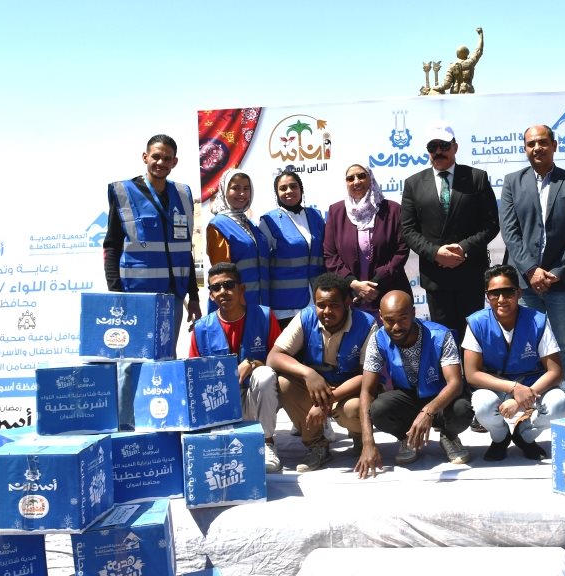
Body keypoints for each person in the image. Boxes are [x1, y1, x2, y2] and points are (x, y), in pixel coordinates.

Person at [104, 134, 201, 428]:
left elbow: (185, 250)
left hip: (172, 297)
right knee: (131, 364)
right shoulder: (124, 191)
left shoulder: (183, 194)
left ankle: (160, 422)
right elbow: (112, 246)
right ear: (145, 157)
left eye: (167, 158)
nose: (161, 162)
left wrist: (193, 297)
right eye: (155, 156)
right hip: (136, 297)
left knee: (165, 360)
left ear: (175, 162)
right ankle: (126, 426)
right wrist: (116, 292)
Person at [499, 125, 565, 417]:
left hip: (562, 281)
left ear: (554, 145)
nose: (536, 148)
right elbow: (510, 231)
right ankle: (529, 400)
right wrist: (530, 270)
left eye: (542, 142)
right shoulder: (512, 182)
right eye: (531, 144)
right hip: (526, 283)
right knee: (527, 344)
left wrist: (558, 271)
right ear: (525, 148)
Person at [354, 290, 474, 478]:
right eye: (389, 320)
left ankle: (449, 436)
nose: (396, 327)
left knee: (462, 409)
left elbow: (455, 383)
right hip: (407, 398)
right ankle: (406, 437)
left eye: (403, 318)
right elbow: (367, 391)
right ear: (380, 316)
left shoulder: (440, 335)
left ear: (413, 312)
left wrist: (428, 412)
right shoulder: (377, 339)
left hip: (441, 399)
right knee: (378, 409)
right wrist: (368, 443)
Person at [266, 273, 376, 473]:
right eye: (321, 305)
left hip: (347, 391)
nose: (326, 311)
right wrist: (308, 374)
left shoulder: (367, 324)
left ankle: (359, 436)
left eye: (334, 305)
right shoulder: (305, 317)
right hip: (315, 389)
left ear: (347, 302)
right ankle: (317, 445)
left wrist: (328, 401)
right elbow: (274, 356)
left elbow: (368, 376)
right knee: (284, 382)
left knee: (353, 409)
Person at [400, 122, 499, 340]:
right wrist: (435, 253)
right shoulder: (413, 184)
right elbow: (408, 230)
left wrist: (463, 248)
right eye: (432, 147)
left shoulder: (477, 178)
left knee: (473, 338)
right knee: (444, 339)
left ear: (455, 147)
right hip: (436, 278)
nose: (438, 151)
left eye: (443, 146)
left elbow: (491, 224)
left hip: (470, 274)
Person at [463, 265, 565, 461]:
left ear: (519, 293)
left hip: (532, 385)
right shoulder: (476, 322)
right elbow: (472, 374)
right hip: (497, 386)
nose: (501, 299)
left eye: (508, 292)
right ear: (487, 296)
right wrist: (513, 388)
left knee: (559, 404)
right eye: (494, 294)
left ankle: (524, 435)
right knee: (483, 405)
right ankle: (500, 438)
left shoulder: (538, 320)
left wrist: (520, 398)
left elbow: (556, 372)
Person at [189, 262, 283, 473]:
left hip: (255, 398)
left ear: (241, 289)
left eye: (229, 285)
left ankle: (267, 442)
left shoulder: (264, 316)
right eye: (216, 287)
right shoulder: (201, 328)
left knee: (265, 374)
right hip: (218, 403)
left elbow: (279, 361)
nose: (223, 291)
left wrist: (252, 364)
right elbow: (193, 376)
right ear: (211, 295)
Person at [324, 163, 411, 314]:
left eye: (361, 176)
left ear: (371, 178)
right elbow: (330, 255)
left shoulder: (392, 209)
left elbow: (401, 250)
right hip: (350, 297)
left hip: (388, 293)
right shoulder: (336, 211)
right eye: (350, 178)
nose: (356, 181)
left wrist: (374, 284)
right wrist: (353, 283)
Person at [259, 171, 326, 330]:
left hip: (316, 301)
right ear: (277, 193)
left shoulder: (316, 216)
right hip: (285, 306)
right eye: (283, 188)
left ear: (301, 189)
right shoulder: (269, 221)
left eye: (293, 186)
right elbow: (262, 265)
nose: (289, 191)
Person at [206, 169, 271, 310]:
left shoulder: (250, 224)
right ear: (224, 190)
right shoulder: (218, 225)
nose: (242, 193)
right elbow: (221, 275)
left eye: (246, 188)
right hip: (234, 308)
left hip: (260, 305)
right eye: (235, 188)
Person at [434, 27, 484, 94]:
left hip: (455, 94)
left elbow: (446, 85)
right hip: (468, 92)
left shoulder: (452, 66)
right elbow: (479, 50)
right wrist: (480, 35)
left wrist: (435, 87)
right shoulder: (470, 62)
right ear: (467, 53)